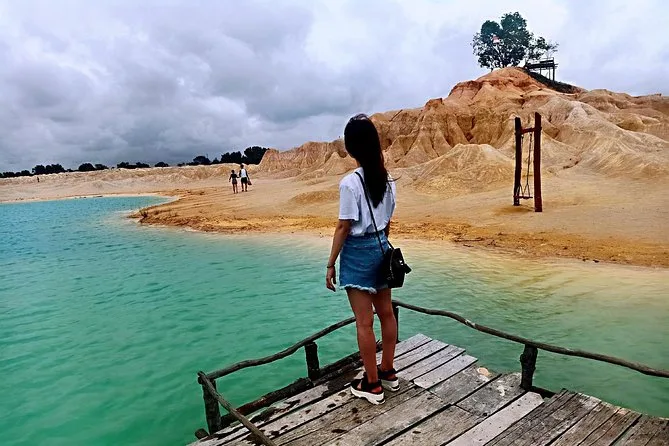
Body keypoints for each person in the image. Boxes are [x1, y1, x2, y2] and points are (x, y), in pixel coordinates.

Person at [325, 113, 398, 405]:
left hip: (357, 253)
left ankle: (372, 383)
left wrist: (331, 263)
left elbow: (344, 226)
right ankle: (388, 371)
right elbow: (388, 221)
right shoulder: (388, 179)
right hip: (382, 247)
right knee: (387, 314)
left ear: (351, 147)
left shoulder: (350, 183)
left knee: (364, 323)